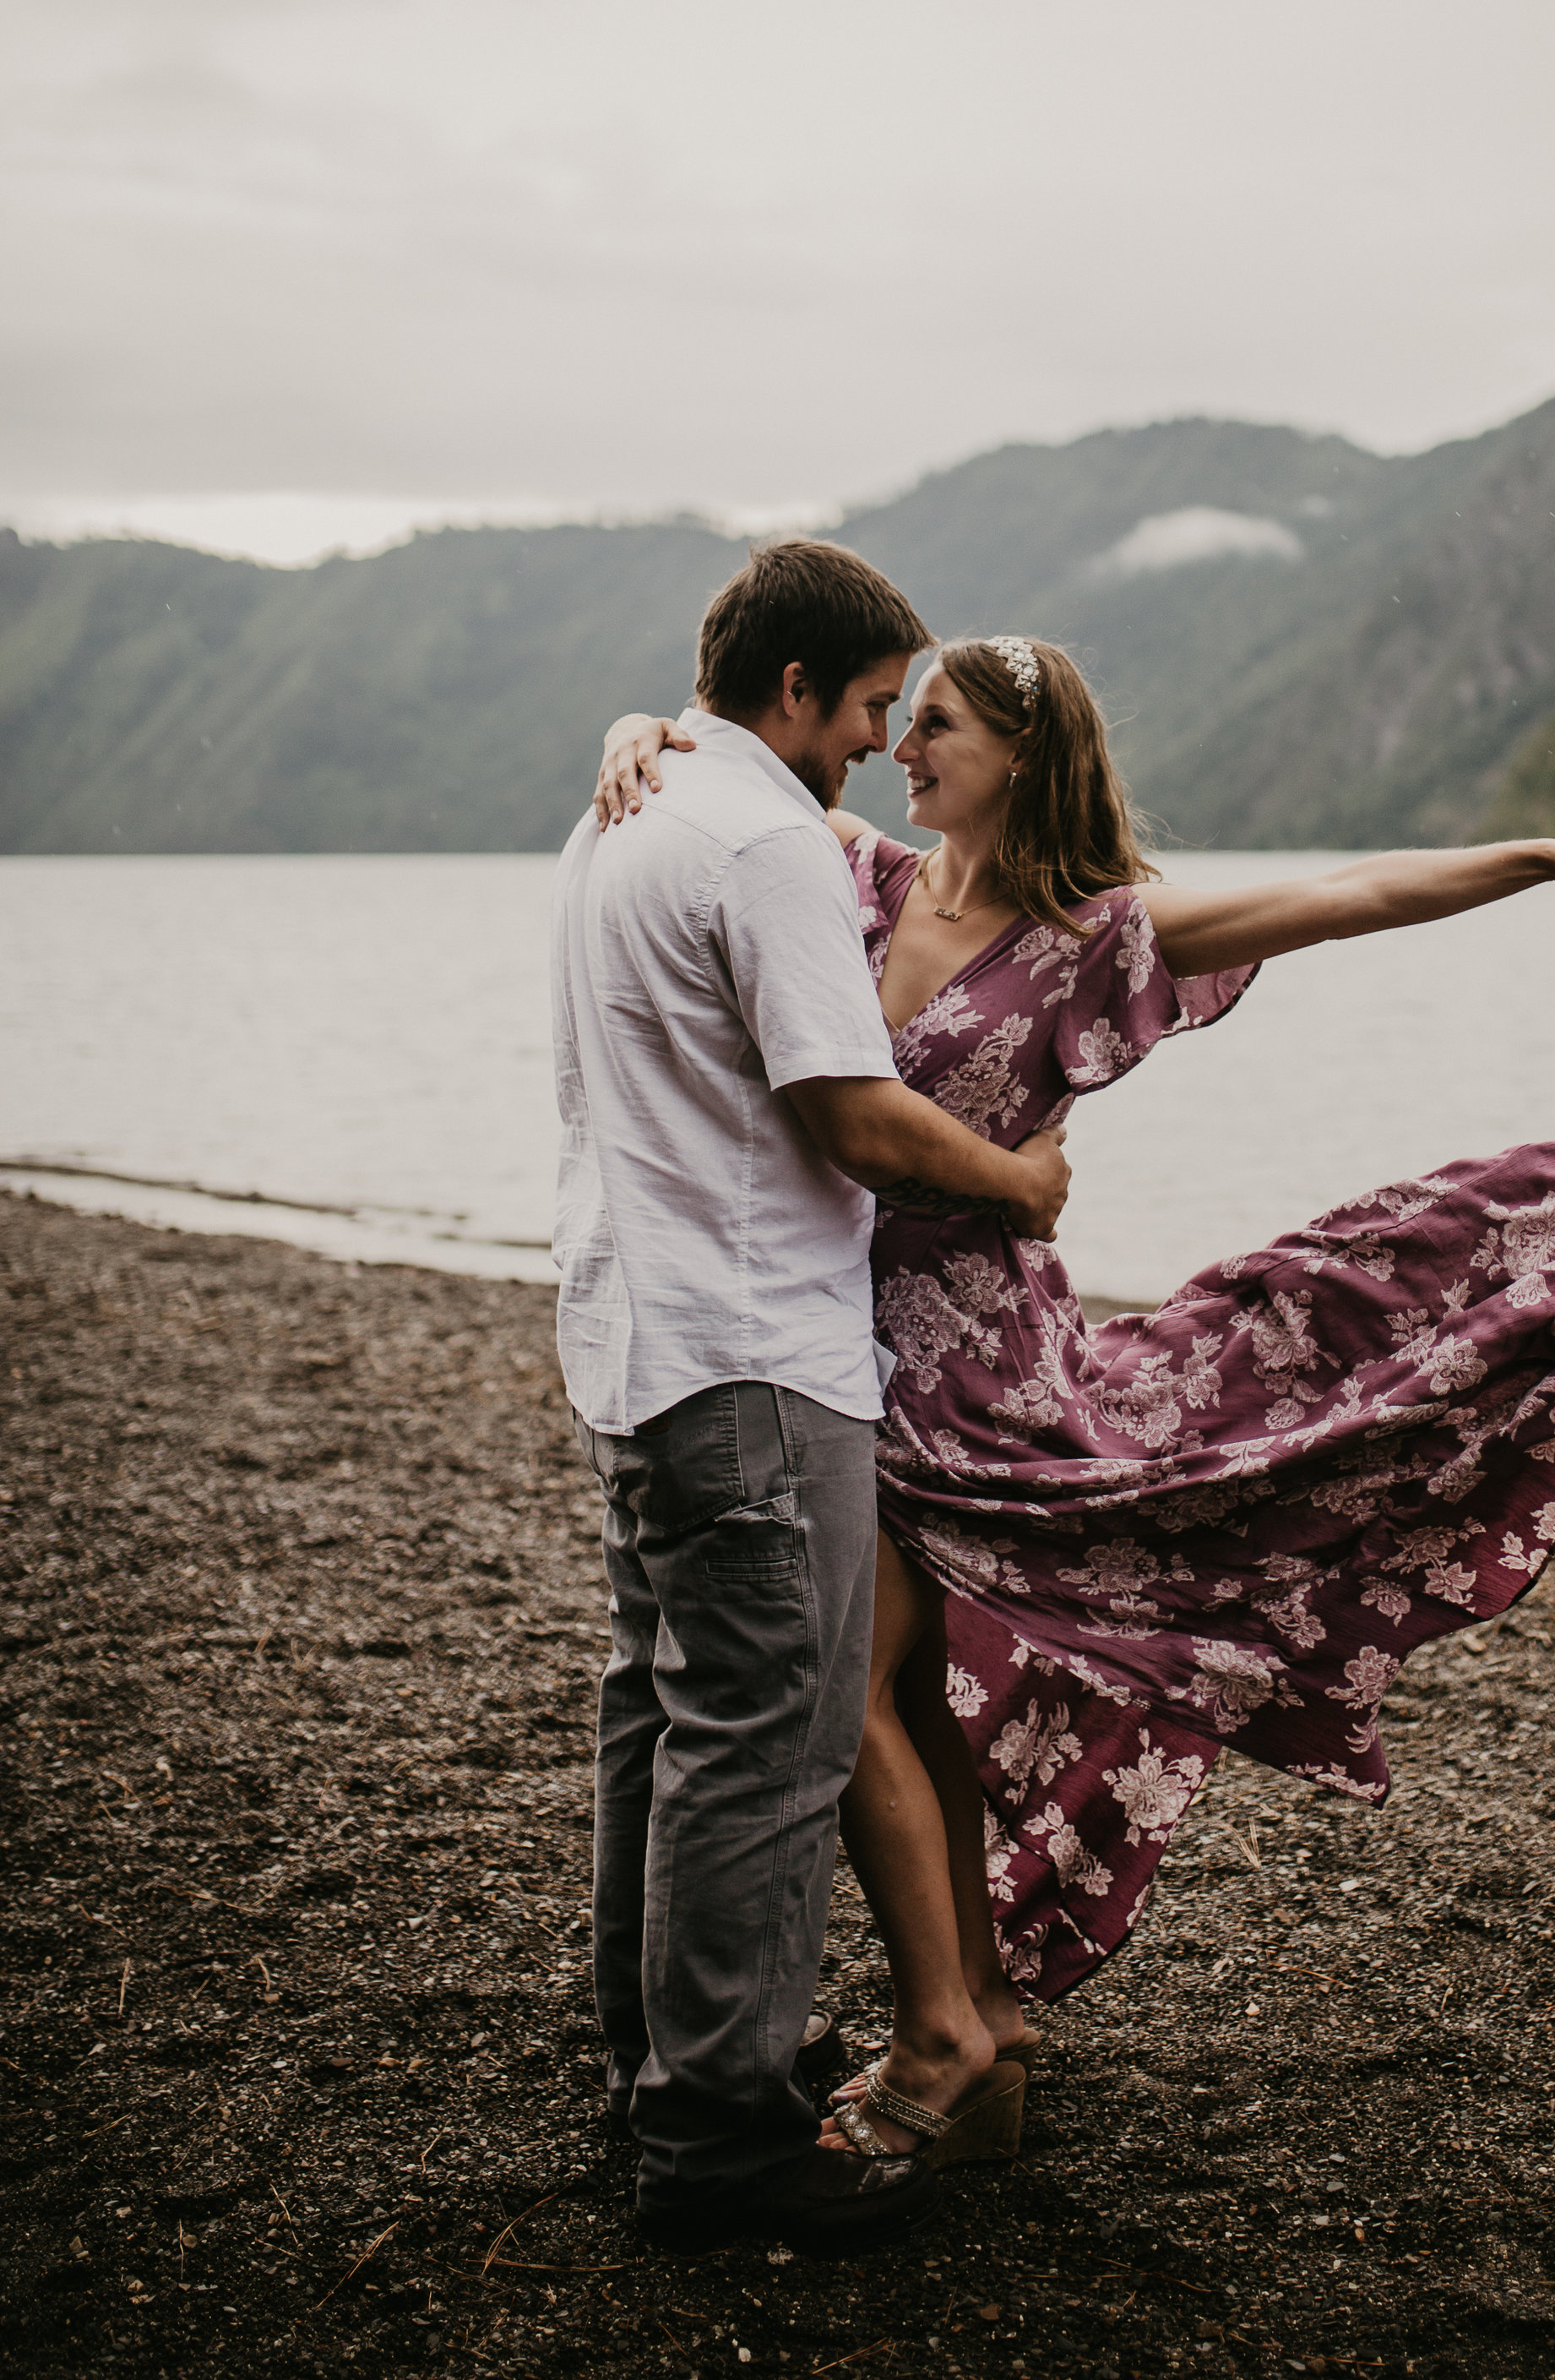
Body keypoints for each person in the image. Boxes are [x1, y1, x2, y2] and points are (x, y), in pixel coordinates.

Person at [593, 628, 1555, 2167]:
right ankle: (983, 2005)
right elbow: (726, 753)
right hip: (836, 1349)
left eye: (936, 730)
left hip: (978, 1371)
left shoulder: (1094, 935)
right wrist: (638, 726)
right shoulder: (861, 879)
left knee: (841, 1694)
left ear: (1020, 760)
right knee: (907, 1699)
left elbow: (1349, 897)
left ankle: (948, 2036)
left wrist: (1536, 856)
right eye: (896, 724)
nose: (900, 752)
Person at [552, 545, 1069, 2257]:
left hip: (636, 1338)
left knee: (662, 1716)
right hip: (759, 1355)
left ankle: (669, 2064)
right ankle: (717, 2139)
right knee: (762, 1746)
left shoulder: (623, 811)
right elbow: (849, 1109)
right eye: (860, 710)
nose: (867, 747)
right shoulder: (766, 838)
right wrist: (1014, 1178)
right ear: (792, 693)